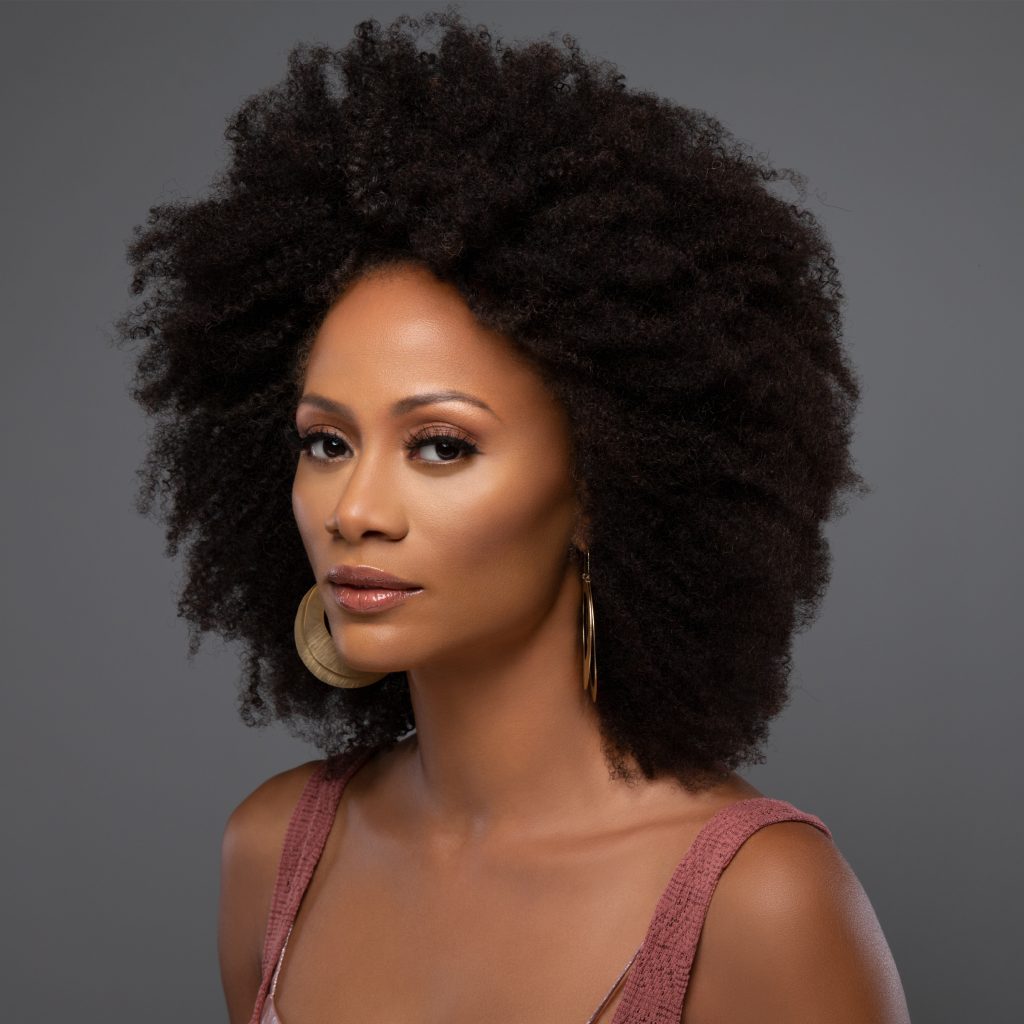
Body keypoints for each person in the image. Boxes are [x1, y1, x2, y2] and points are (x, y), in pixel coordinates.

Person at [114, 6, 911, 1022]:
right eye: (326, 442)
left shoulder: (758, 903)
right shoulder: (272, 856)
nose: (355, 509)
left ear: (598, 486)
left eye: (440, 445)